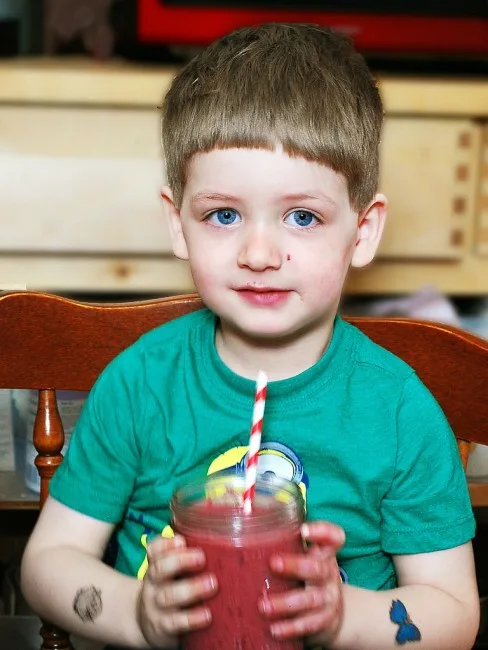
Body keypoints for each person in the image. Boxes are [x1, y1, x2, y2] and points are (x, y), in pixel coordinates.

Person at [21, 22, 479, 650]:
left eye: (302, 216)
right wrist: (139, 615)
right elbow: (47, 564)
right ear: (178, 223)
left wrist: (345, 618)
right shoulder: (139, 386)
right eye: (224, 214)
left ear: (364, 230)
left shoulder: (399, 413)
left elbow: (454, 612)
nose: (259, 252)